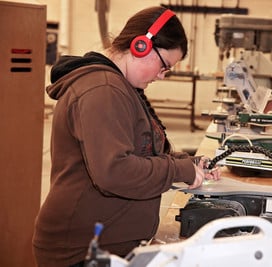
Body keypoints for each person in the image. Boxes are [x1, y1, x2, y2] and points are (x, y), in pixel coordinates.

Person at [33, 6, 220, 267]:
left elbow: (139, 150)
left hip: (104, 242)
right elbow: (114, 171)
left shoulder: (120, 87)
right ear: (140, 45)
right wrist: (177, 170)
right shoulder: (102, 89)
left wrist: (187, 163)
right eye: (164, 66)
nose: (160, 76)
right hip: (81, 250)